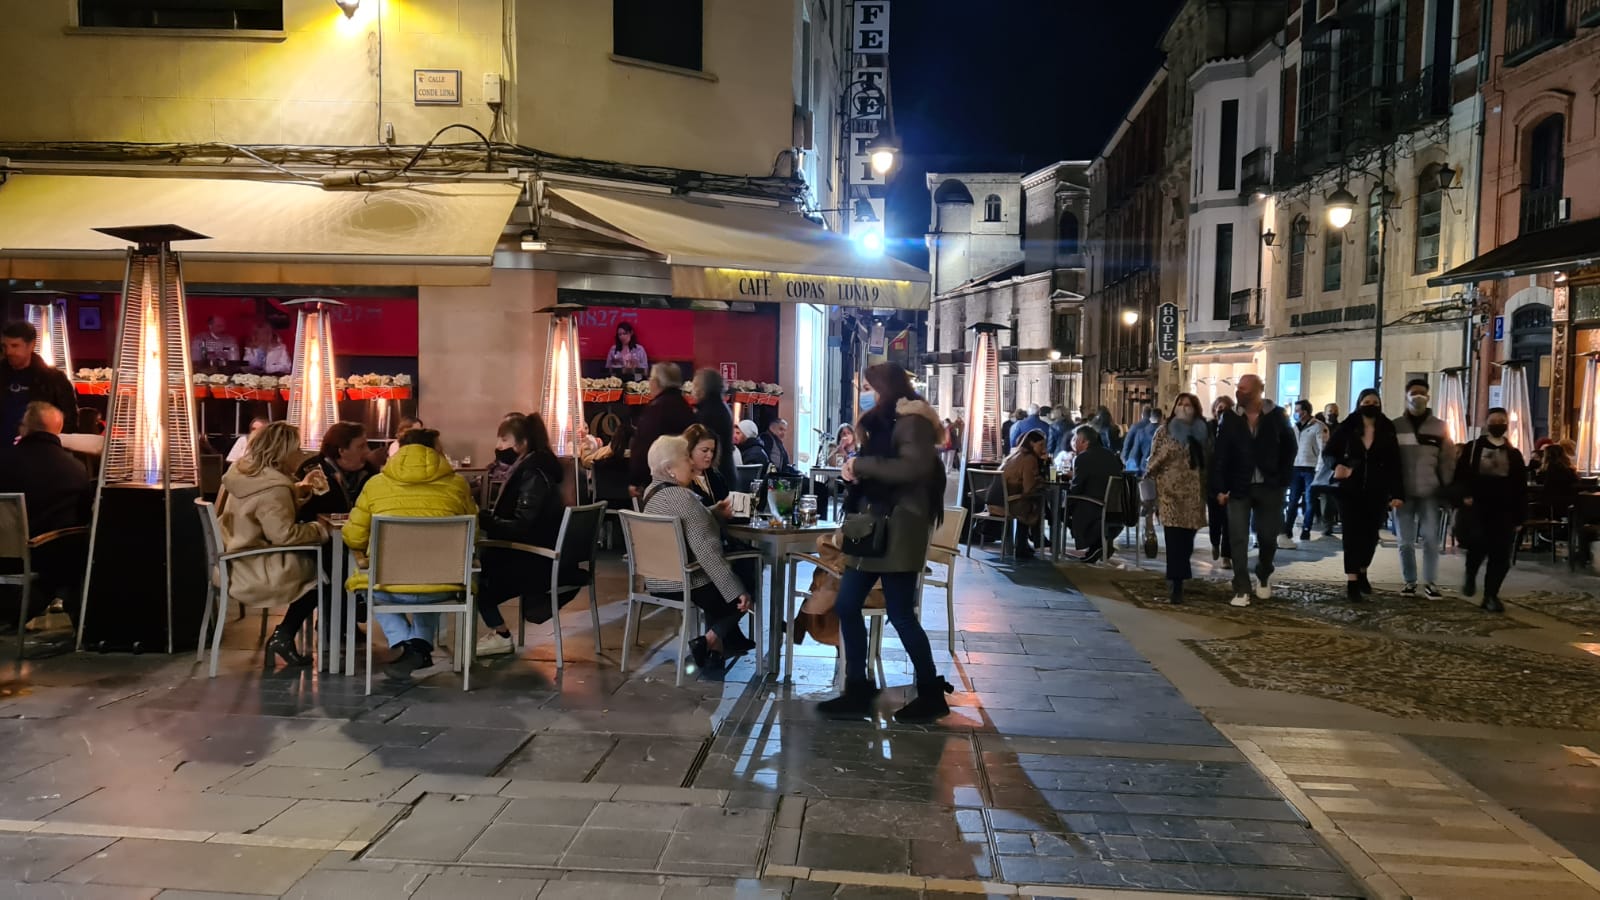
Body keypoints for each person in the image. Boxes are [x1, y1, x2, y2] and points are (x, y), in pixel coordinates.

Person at [817, 363, 953, 722]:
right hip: (875, 529)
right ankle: (857, 687)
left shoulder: (911, 421)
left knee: (901, 614)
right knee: (847, 604)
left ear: (886, 388)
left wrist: (861, 466)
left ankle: (930, 692)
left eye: (869, 386)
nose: (865, 393)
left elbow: (911, 469)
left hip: (898, 531)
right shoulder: (890, 421)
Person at [340, 427, 478, 679]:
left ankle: (404, 644)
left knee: (363, 576)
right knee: (432, 572)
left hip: (388, 584)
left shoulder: (375, 485)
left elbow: (353, 536)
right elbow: (474, 535)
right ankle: (418, 646)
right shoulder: (458, 485)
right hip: (443, 584)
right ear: (436, 452)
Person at [216, 422, 332, 668]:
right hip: (256, 565)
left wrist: (300, 489)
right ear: (283, 452)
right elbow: (284, 535)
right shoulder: (274, 489)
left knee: (317, 566)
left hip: (235, 557)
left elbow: (265, 509)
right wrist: (322, 530)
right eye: (297, 449)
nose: (300, 454)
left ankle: (286, 636)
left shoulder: (244, 473)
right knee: (322, 577)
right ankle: (285, 635)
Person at [640, 435, 756, 673]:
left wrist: (710, 512)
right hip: (686, 582)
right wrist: (738, 591)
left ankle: (714, 647)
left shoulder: (651, 493)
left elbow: (684, 521)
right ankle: (711, 642)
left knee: (725, 583)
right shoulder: (684, 499)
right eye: (686, 458)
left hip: (657, 579)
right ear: (669, 469)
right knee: (742, 583)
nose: (692, 463)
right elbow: (708, 553)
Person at [474, 414, 572, 657]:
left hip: (532, 561)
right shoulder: (541, 468)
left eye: (504, 440)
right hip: (541, 556)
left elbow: (521, 526)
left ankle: (501, 634)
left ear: (523, 443)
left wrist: (484, 518)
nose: (499, 447)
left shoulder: (532, 474)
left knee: (473, 581)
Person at [0, 403, 92, 632]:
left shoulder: (4, 460)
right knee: (79, 547)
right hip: (43, 555)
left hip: (5, 555)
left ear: (25, 428)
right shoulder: (73, 468)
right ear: (58, 429)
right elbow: (82, 515)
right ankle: (80, 620)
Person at [1210, 374, 1297, 607]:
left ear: (1259, 390)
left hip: (1269, 486)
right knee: (1237, 537)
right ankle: (1241, 587)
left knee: (1268, 537)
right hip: (1238, 487)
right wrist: (1219, 487)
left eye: (1245, 389)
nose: (1240, 392)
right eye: (1238, 388)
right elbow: (1220, 454)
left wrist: (1282, 479)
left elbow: (1290, 448)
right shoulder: (1229, 418)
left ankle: (1264, 572)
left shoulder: (1277, 416)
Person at [1324, 388, 1403, 602]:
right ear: (1359, 403)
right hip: (1349, 489)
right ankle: (1352, 581)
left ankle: (1362, 570)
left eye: (1375, 402)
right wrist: (1337, 465)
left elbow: (1395, 462)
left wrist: (1397, 492)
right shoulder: (1347, 426)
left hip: (1377, 491)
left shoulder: (1387, 428)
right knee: (1351, 535)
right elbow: (1329, 452)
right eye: (1366, 401)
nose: (1371, 405)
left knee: (1370, 537)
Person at [1454, 407, 1526, 613]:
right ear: (1487, 423)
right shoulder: (1473, 448)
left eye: (1501, 420)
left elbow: (1521, 487)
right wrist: (1464, 496)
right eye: (1494, 420)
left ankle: (1491, 595)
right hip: (1478, 508)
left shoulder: (1513, 454)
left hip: (1504, 511)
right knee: (1477, 549)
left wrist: (1520, 516)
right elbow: (1460, 475)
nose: (1497, 423)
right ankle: (1470, 575)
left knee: (1501, 556)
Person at [1392, 378, 1457, 598]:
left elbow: (1447, 460)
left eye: (1422, 392)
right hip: (1403, 493)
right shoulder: (1396, 426)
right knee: (1405, 542)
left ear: (1428, 396)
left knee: (1431, 540)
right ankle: (1410, 581)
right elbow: (1388, 461)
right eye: (1414, 392)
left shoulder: (1440, 427)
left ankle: (1430, 581)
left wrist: (1445, 488)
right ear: (1406, 395)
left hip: (1430, 492)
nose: (1418, 396)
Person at [1147, 394, 1209, 604]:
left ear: (1195, 408)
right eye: (1180, 404)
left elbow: (1208, 460)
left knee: (1187, 541)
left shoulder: (1202, 431)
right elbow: (1153, 459)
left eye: (1188, 405)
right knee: (1174, 540)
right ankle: (1176, 582)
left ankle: (1180, 575)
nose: (1183, 408)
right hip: (1170, 493)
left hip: (1193, 494)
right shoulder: (1164, 431)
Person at [2, 321, 78, 444]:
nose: (9, 352)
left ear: (31, 345)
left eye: (15, 346)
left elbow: (69, 421)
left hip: (38, 452)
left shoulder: (54, 380)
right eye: (5, 346)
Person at [628, 363, 696, 489]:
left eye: (651, 379)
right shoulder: (685, 407)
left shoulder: (655, 410)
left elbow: (644, 445)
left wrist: (635, 480)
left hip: (659, 480)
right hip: (684, 477)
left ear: (657, 382)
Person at [296, 421, 380, 521]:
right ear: (342, 451)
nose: (368, 451)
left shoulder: (371, 471)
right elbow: (303, 513)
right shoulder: (311, 471)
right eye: (361, 447)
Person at [1065, 425, 1124, 562]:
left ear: (1085, 441)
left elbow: (1077, 487)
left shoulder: (1082, 458)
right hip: (1116, 508)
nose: (1074, 442)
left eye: (1076, 439)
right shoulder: (1111, 455)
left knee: (1063, 510)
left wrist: (1067, 501)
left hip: (1093, 507)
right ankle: (1099, 545)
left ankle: (1095, 545)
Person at [991, 429, 1048, 559]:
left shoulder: (1013, 455)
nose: (1043, 449)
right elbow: (1028, 489)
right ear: (1031, 444)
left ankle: (1031, 541)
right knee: (1036, 504)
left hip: (996, 502)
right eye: (1041, 445)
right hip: (1009, 504)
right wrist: (1040, 480)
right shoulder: (1029, 459)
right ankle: (1026, 544)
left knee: (1036, 503)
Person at [1283, 400, 1328, 546]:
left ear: (1306, 411)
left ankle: (1306, 529)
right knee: (1293, 500)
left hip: (1311, 468)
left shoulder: (1318, 427)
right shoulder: (1295, 428)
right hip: (1296, 467)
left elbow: (1323, 449)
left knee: (1309, 501)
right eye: (1295, 411)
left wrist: (1319, 469)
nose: (1296, 413)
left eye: (1298, 410)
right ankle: (1287, 529)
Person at [693, 368, 737, 489]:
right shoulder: (720, 407)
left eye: (695, 385)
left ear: (703, 388)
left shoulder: (709, 412)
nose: (693, 390)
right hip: (725, 471)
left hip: (716, 475)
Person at [1206, 396, 1234, 567]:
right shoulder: (1208, 428)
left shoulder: (1235, 429)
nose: (1220, 411)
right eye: (1218, 408)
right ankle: (1215, 542)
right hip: (1212, 479)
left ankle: (1226, 555)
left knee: (1228, 521)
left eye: (1224, 409)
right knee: (1215, 519)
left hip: (1229, 480)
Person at [683, 423, 733, 507]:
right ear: (689, 450)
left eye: (712, 451)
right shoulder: (682, 480)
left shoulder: (716, 477)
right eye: (705, 450)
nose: (710, 455)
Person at [1121, 405, 1160, 475]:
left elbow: (1127, 444)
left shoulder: (1135, 427)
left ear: (1142, 415)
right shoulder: (1158, 429)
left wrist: (1125, 459)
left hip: (1137, 464)